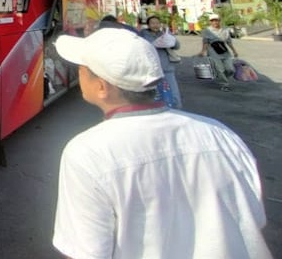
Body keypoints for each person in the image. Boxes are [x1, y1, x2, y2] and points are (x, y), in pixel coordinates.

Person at [51, 28, 271, 259]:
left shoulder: (88, 153)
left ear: (102, 87)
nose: (79, 74)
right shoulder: (220, 134)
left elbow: (87, 251)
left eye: (82, 70)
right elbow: (253, 218)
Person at [139, 15, 182, 108]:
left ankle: (176, 109)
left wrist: (170, 39)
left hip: (167, 67)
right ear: (148, 25)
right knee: (154, 93)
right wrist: (161, 41)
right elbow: (148, 45)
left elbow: (177, 46)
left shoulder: (165, 33)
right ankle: (157, 112)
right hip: (151, 69)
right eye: (153, 23)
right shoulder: (143, 34)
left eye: (157, 23)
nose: (155, 25)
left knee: (173, 91)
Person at [199, 13, 239, 92]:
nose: (215, 22)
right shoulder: (207, 31)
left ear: (219, 21)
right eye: (213, 21)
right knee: (220, 69)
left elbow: (229, 42)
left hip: (224, 51)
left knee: (231, 69)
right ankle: (224, 85)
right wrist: (203, 51)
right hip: (213, 51)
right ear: (210, 22)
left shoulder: (225, 30)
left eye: (216, 20)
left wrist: (234, 51)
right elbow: (205, 42)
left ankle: (222, 77)